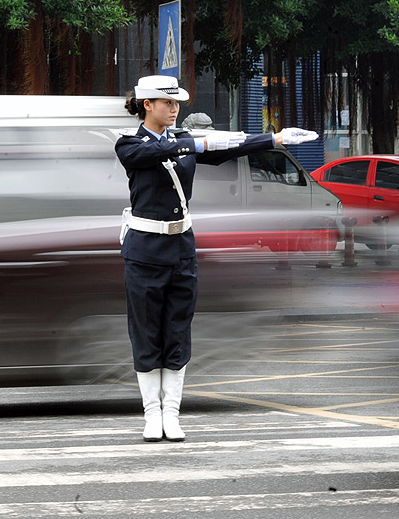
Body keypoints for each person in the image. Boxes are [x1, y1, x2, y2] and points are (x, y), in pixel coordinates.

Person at [115, 74, 318, 442]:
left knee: (177, 330)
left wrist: (274, 139)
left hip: (180, 249)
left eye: (177, 104)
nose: (175, 109)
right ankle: (151, 413)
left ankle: (172, 413)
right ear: (147, 105)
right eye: (167, 103)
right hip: (144, 252)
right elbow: (147, 155)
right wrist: (193, 144)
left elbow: (227, 149)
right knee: (146, 332)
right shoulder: (129, 143)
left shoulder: (182, 141)